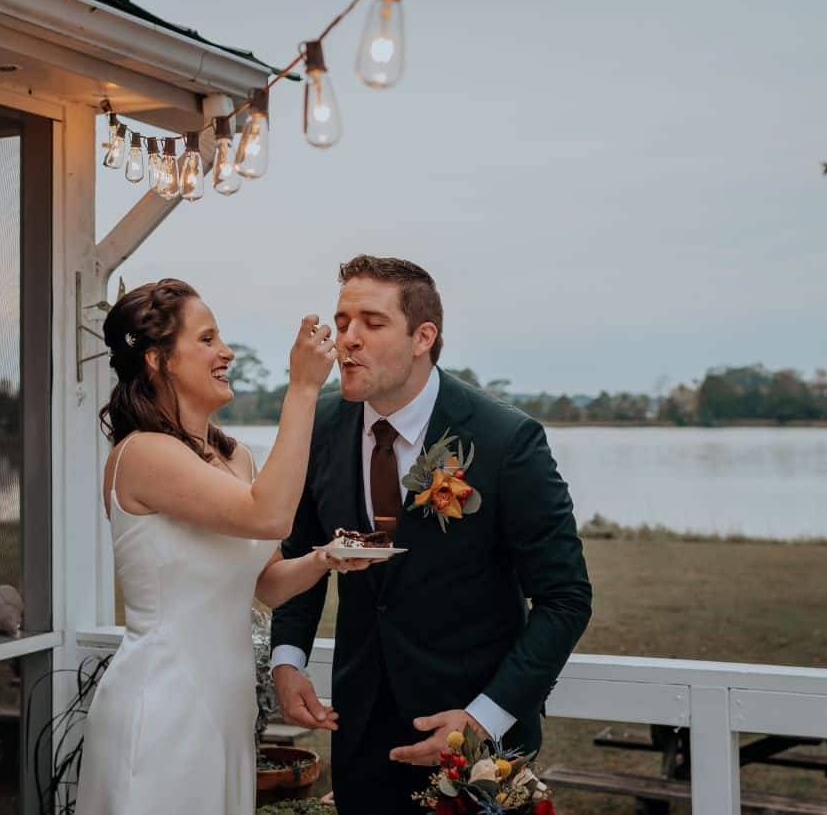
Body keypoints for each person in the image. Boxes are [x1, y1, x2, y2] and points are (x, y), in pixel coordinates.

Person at [270, 255, 594, 815]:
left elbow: (566, 599)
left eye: (371, 323)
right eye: (342, 321)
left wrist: (482, 718)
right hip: (361, 731)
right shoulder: (320, 424)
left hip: (479, 741)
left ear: (424, 337)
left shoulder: (505, 440)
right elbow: (302, 550)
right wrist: (287, 658)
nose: (347, 340)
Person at [76, 278, 368, 814]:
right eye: (207, 339)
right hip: (163, 702)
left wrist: (323, 559)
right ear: (159, 360)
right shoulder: (142, 454)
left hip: (228, 707)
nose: (226, 352)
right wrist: (302, 389)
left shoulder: (237, 460)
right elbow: (271, 514)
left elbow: (266, 586)